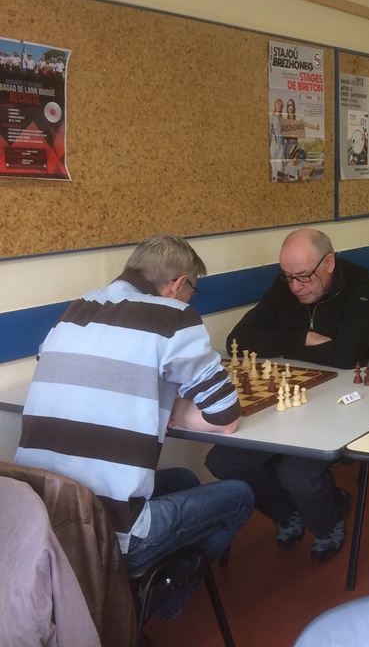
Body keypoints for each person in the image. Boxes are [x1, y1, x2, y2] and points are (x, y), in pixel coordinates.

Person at [15, 234, 254, 619]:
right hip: (108, 528)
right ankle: (141, 608)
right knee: (240, 495)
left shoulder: (75, 311)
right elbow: (225, 416)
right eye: (192, 290)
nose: (190, 299)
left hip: (46, 514)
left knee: (184, 479)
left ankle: (134, 589)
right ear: (178, 284)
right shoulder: (173, 317)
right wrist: (176, 409)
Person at [206, 229, 369, 561]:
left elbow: (346, 355)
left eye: (303, 276)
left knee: (296, 474)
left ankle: (330, 517)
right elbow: (239, 339)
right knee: (223, 461)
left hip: (347, 399)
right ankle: (288, 511)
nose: (295, 287)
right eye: (288, 277)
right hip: (293, 395)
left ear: (328, 263)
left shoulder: (360, 283)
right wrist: (303, 337)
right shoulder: (285, 285)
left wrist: (281, 345)